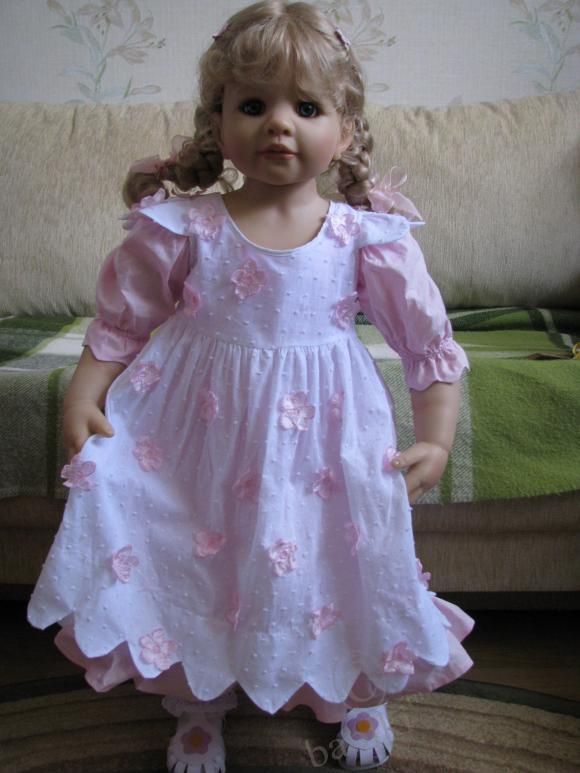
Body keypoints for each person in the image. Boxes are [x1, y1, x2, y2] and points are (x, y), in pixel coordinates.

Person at [27, 1, 475, 770]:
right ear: (219, 119)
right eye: (254, 104)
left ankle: (356, 688)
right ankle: (198, 699)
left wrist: (435, 437)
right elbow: (121, 321)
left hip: (323, 441)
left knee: (333, 563)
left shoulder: (364, 236)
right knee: (199, 558)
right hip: (200, 433)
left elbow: (427, 343)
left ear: (346, 129)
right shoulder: (187, 225)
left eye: (307, 108)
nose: (279, 125)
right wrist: (84, 393)